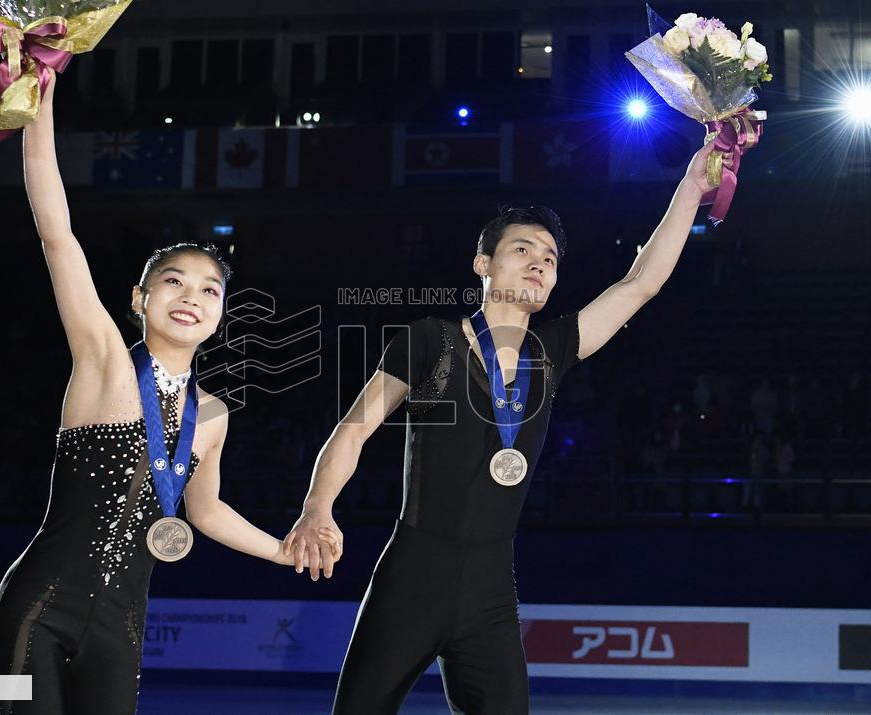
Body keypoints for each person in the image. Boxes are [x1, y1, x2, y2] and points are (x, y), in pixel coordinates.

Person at [283, 141, 718, 714]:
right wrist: (317, 507)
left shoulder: (555, 349)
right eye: (522, 248)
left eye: (551, 257)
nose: (541, 261)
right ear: (483, 264)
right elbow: (354, 429)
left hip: (490, 593)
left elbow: (640, 284)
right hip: (411, 578)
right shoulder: (428, 340)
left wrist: (692, 182)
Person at [0, 73, 337, 715]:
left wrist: (284, 551)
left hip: (122, 624)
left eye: (209, 290)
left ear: (222, 314)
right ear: (140, 301)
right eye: (173, 283)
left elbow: (204, 511)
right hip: (39, 607)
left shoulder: (213, 415)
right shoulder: (104, 362)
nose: (191, 297)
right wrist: (39, 99)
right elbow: (56, 232)